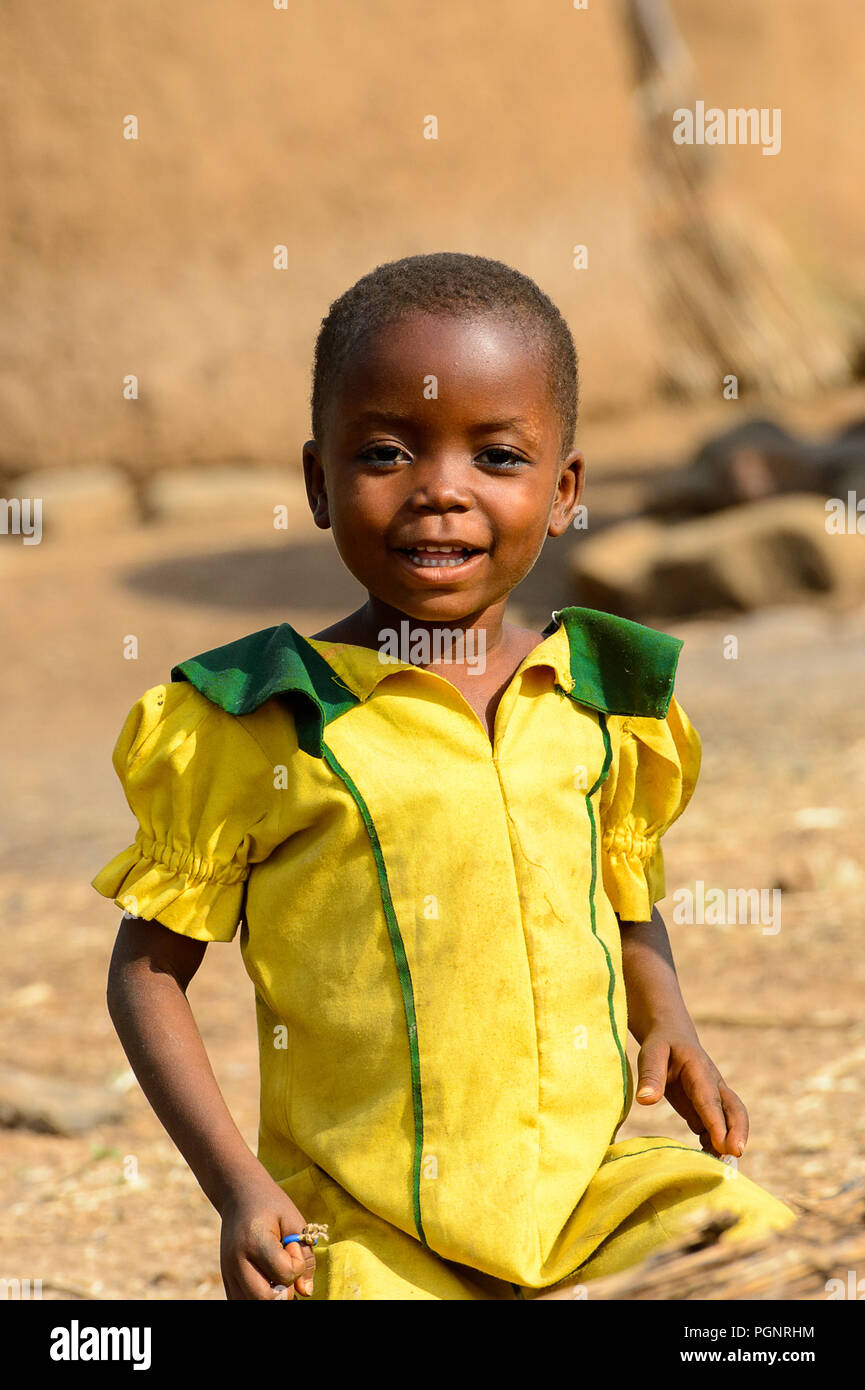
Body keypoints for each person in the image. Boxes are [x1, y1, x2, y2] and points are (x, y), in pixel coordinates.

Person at [94, 252, 796, 1301]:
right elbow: (147, 973)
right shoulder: (258, 716)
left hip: (585, 1194)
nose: (441, 491)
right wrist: (238, 1186)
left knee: (760, 1251)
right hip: (366, 1222)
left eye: (498, 457)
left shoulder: (602, 694)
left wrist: (669, 1016)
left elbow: (622, 882)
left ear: (563, 493)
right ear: (319, 483)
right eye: (385, 451)